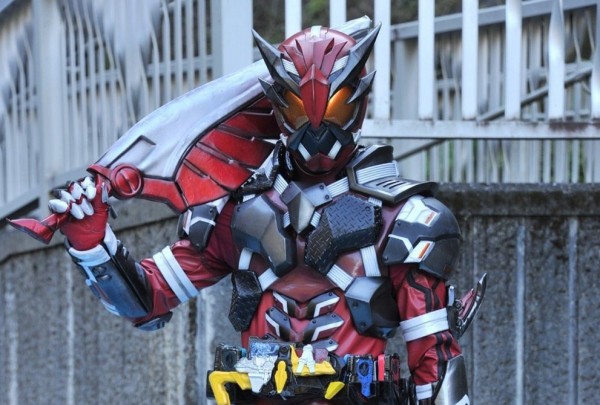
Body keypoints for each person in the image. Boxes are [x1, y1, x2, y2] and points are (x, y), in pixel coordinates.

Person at [13, 19, 484, 404]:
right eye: (298, 112)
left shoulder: (403, 221)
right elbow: (147, 302)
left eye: (335, 108)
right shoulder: (237, 210)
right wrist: (93, 243)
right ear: (278, 107)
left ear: (357, 104)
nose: (316, 132)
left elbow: (435, 362)